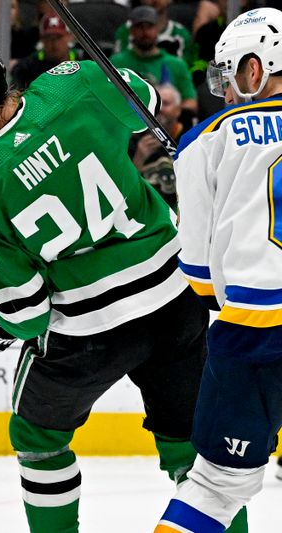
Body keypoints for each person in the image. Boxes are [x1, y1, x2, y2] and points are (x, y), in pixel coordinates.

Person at [0, 40, 247, 533]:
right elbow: (145, 104)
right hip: (175, 297)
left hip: (91, 330)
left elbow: (26, 309)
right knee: (192, 447)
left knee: (37, 433)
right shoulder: (70, 85)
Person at [154, 8, 282, 532]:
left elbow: (201, 278)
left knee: (212, 489)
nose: (226, 90)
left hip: (253, 333)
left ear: (255, 70)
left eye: (230, 75)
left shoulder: (205, 140)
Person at [110, 6, 198, 116]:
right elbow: (108, 97)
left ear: (157, 29)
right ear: (131, 31)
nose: (145, 32)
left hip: (166, 125)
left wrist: (170, 109)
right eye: (139, 27)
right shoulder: (117, 62)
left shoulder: (176, 64)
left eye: (149, 26)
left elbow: (191, 102)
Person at [11, 13, 79, 92]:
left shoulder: (82, 60)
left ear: (69, 37)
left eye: (58, 37)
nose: (54, 43)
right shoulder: (27, 68)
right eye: (48, 37)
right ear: (41, 39)